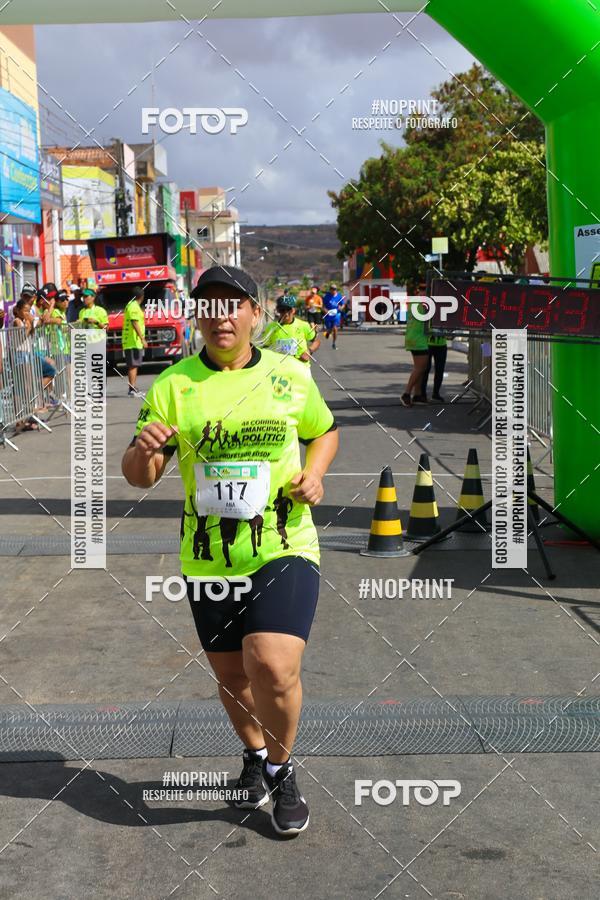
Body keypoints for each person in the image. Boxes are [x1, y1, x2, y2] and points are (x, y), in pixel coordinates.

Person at [122, 264, 339, 838]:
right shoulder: (172, 386)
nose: (222, 316)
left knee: (270, 662)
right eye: (210, 306)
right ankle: (252, 755)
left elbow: (324, 430)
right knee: (232, 678)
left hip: (284, 544)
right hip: (209, 558)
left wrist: (314, 474)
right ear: (200, 316)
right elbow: (139, 476)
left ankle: (281, 766)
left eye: (233, 304)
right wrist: (144, 449)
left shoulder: (290, 376)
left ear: (253, 313)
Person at [261, 294, 320, 363]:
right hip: (279, 369)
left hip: (300, 368)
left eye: (289, 310)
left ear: (293, 310)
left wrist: (309, 351)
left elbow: (316, 341)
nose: (286, 314)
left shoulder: (303, 325)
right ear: (278, 311)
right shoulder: (271, 328)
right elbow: (264, 349)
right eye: (282, 310)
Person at [401, 299, 429, 408]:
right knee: (420, 368)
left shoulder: (413, 302)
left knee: (421, 367)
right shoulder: (424, 303)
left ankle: (417, 394)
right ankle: (406, 393)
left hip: (412, 337)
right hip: (419, 339)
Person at [122, 286, 148, 396]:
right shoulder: (133, 306)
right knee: (133, 365)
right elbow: (135, 323)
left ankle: (132, 387)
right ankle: (131, 389)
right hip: (133, 341)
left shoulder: (131, 305)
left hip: (132, 341)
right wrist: (143, 339)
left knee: (134, 365)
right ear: (141, 296)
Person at [416, 331, 447, 404]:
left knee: (440, 370)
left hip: (442, 344)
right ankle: (422, 394)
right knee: (425, 370)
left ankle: (436, 393)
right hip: (427, 344)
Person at [321, 282, 345, 349]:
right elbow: (323, 306)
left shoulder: (339, 296)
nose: (333, 290)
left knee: (335, 328)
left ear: (336, 289)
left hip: (336, 314)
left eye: (334, 289)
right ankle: (328, 333)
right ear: (330, 290)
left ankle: (334, 343)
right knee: (329, 329)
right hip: (328, 315)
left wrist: (341, 307)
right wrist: (326, 311)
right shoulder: (327, 296)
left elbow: (343, 304)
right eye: (332, 289)